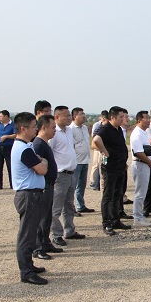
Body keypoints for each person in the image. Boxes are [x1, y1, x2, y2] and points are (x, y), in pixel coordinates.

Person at [11, 112, 49, 285]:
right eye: (34, 126)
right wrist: (43, 162)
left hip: (32, 194)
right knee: (26, 235)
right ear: (23, 128)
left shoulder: (26, 146)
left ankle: (29, 265)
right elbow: (42, 169)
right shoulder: (24, 149)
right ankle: (26, 272)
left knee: (31, 233)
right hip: (28, 195)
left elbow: (39, 165)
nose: (36, 129)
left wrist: (41, 162)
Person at [49, 106, 86, 246]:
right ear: (57, 117)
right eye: (65, 115)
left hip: (71, 173)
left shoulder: (69, 131)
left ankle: (69, 230)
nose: (68, 118)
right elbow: (49, 153)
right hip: (60, 174)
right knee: (56, 207)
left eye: (69, 115)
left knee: (69, 205)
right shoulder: (54, 133)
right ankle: (56, 234)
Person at [92, 106, 131, 236]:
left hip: (120, 167)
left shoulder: (118, 129)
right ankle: (106, 223)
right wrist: (104, 151)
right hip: (110, 168)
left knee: (117, 195)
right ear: (112, 117)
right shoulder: (106, 129)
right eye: (120, 117)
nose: (123, 119)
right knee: (108, 196)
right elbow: (96, 140)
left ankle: (115, 220)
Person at [32, 114, 63, 260]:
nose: (55, 130)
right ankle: (38, 248)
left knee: (47, 217)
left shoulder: (45, 143)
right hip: (42, 186)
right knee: (41, 218)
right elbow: (36, 167)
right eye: (53, 127)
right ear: (43, 128)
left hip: (49, 184)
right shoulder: (38, 144)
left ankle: (46, 242)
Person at [130, 110, 151, 227]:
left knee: (143, 192)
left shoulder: (143, 132)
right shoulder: (137, 134)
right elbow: (138, 152)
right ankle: (137, 218)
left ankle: (140, 215)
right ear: (139, 120)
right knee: (140, 193)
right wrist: (149, 162)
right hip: (140, 164)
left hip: (145, 164)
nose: (149, 120)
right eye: (146, 118)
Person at [69, 107, 94, 213]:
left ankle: (81, 205)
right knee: (73, 186)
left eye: (84, 113)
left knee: (81, 185)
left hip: (85, 160)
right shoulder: (70, 129)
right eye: (81, 114)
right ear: (75, 116)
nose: (83, 116)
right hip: (76, 161)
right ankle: (71, 208)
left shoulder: (84, 128)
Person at [89, 110, 108, 191]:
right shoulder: (98, 127)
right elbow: (94, 141)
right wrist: (103, 149)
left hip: (105, 152)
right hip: (99, 151)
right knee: (96, 166)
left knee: (103, 170)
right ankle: (94, 183)